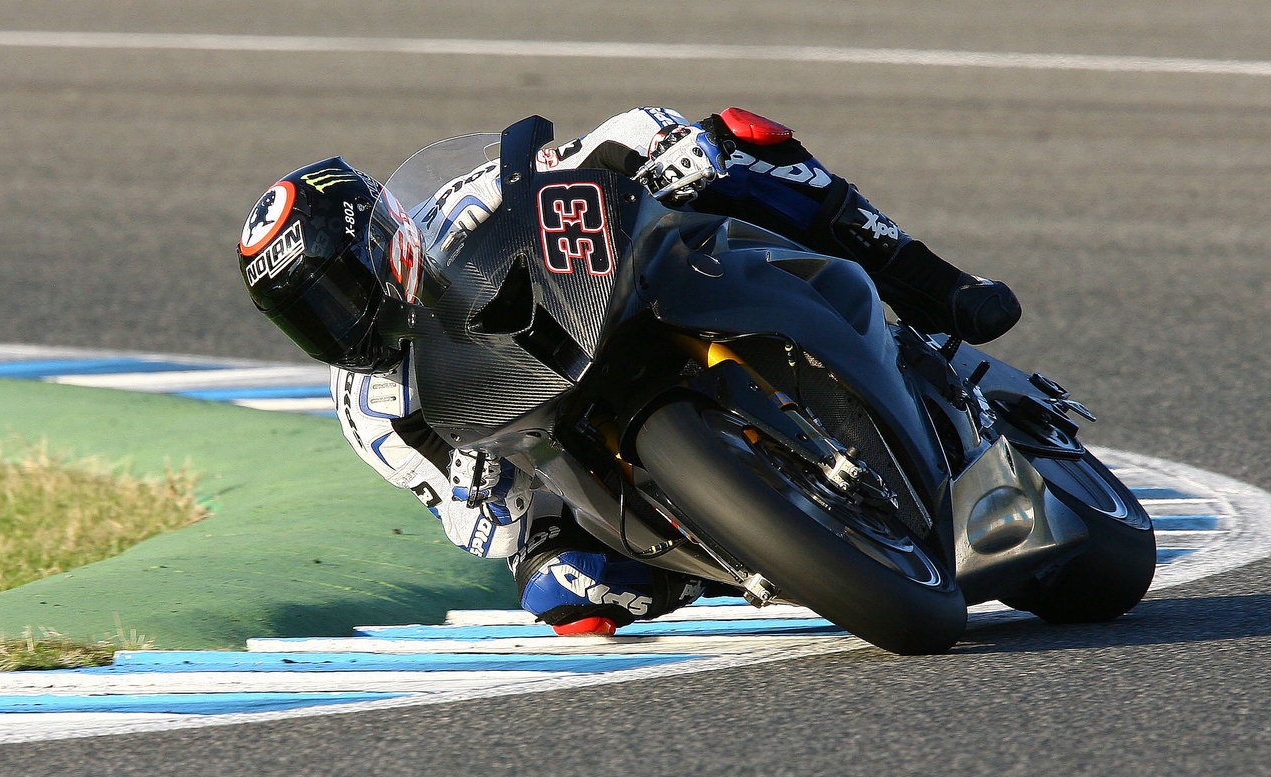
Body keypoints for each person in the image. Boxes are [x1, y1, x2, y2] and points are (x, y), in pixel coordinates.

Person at [238, 106, 1021, 636]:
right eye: (311, 319)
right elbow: (481, 524)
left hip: (635, 299)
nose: (340, 327)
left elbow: (598, 145)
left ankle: (931, 283)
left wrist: (662, 148)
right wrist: (481, 482)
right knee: (559, 590)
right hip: (561, 435)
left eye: (339, 296)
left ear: (382, 239)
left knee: (736, 137)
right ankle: (752, 555)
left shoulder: (457, 207)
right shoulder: (370, 411)